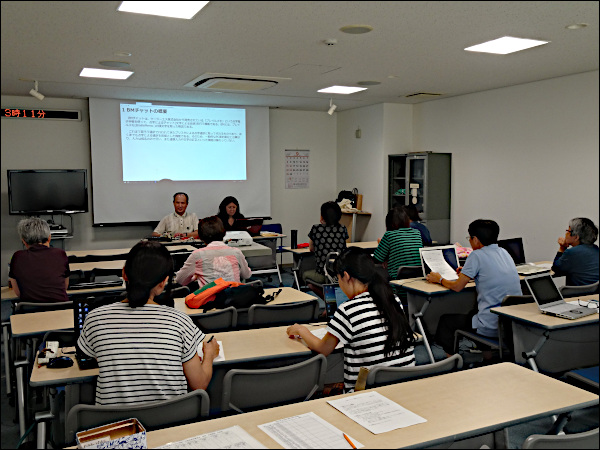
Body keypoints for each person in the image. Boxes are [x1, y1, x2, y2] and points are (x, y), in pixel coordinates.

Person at [77, 241, 220, 405]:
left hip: (117, 420)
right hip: (172, 418)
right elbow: (199, 384)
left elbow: (93, 357)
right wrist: (209, 354)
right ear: (163, 283)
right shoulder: (180, 321)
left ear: (124, 274)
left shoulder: (95, 318)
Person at [286, 248, 416, 392]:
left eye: (338, 279)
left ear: (346, 276)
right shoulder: (393, 299)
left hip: (366, 394)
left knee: (320, 390)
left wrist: (302, 330)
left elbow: (323, 349)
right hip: (403, 389)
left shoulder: (348, 309)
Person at [425, 219, 522, 355]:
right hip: (511, 324)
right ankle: (487, 356)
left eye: (469, 238)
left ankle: (451, 360)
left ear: (475, 239)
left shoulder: (476, 255)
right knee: (473, 312)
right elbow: (491, 273)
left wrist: (439, 279)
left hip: (491, 325)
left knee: (446, 322)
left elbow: (457, 287)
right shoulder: (504, 252)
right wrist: (469, 272)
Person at [175, 216, 252, 287]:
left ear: (201, 236)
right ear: (224, 233)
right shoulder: (236, 252)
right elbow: (247, 275)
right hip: (234, 296)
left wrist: (195, 277)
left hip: (210, 297)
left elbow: (180, 280)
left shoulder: (197, 255)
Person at [8, 217, 70, 303]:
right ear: (49, 238)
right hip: (61, 308)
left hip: (30, 309)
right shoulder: (60, 254)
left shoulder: (17, 257)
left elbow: (18, 293)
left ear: (24, 241)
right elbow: (65, 286)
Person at [303, 201, 348, 298]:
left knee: (305, 275)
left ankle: (329, 301)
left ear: (322, 216)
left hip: (323, 273)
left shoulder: (316, 229)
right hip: (340, 273)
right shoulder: (342, 228)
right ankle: (332, 300)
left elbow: (311, 249)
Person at [373, 207, 423, 280]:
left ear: (389, 222)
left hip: (397, 280)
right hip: (417, 278)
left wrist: (385, 259)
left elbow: (377, 259)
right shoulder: (417, 233)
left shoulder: (389, 235)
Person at [551, 218, 599, 286]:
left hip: (577, 291)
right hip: (595, 291)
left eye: (568, 231)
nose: (566, 233)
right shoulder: (596, 249)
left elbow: (556, 269)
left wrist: (562, 248)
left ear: (576, 237)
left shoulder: (571, 252)